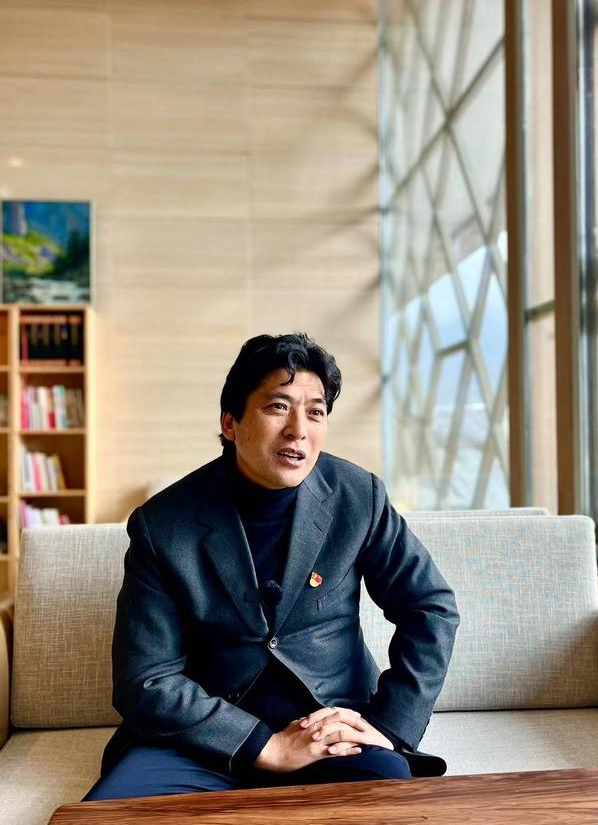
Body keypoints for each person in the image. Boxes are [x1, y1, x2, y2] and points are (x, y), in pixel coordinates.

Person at [84, 333, 459, 800]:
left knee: (385, 803)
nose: (298, 429)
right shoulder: (162, 525)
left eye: (315, 412)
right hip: (202, 738)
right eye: (278, 407)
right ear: (230, 422)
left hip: (328, 730)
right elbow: (147, 678)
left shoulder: (358, 497)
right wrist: (264, 745)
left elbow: (430, 607)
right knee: (114, 813)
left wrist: (389, 727)